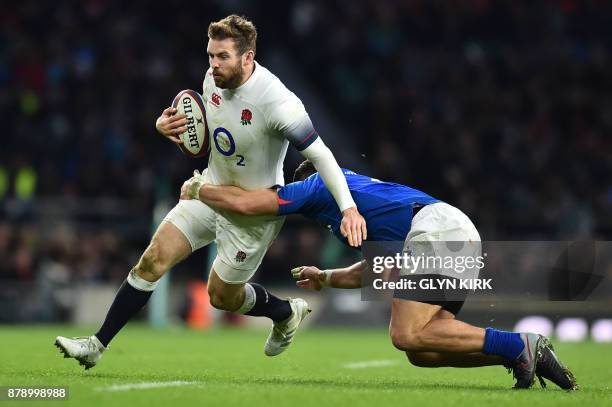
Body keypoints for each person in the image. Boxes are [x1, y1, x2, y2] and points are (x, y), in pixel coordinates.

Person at [54, 15, 366, 369]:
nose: (214, 66)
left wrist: (348, 208)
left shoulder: (278, 102)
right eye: (210, 56)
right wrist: (166, 127)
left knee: (221, 296)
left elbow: (322, 155)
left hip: (251, 214)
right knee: (152, 260)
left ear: (247, 58)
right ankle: (96, 345)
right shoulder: (210, 81)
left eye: (223, 57)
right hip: (208, 190)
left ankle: (283, 311)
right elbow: (210, 140)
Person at [179, 160, 577, 390]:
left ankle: (520, 344)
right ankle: (519, 357)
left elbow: (257, 203)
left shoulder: (317, 184)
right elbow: (379, 270)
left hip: (438, 231)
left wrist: (203, 190)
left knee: (405, 335)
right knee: (422, 352)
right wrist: (327, 277)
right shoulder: (356, 199)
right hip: (450, 231)